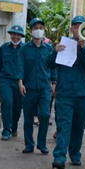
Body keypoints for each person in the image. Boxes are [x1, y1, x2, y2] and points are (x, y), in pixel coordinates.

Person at [49, 15, 85, 169]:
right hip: (65, 93)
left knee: (79, 126)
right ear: (71, 28)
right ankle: (59, 158)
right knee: (64, 125)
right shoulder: (64, 44)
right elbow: (48, 63)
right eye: (75, 26)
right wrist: (54, 52)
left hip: (83, 94)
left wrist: (83, 50)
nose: (78, 29)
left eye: (81, 26)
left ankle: (75, 153)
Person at [21, 17, 55, 154]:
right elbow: (20, 67)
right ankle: (29, 144)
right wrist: (20, 82)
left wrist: (54, 82)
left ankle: (42, 144)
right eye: (36, 28)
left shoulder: (49, 49)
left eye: (41, 28)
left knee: (45, 115)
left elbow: (53, 66)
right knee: (28, 117)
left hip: (44, 88)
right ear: (31, 31)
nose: (39, 30)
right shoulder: (24, 49)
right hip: (29, 88)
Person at [0, 24, 25, 140]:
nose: (15, 37)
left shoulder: (25, 49)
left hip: (19, 82)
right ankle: (6, 129)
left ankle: (14, 126)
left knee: (17, 106)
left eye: (18, 35)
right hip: (5, 80)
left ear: (21, 36)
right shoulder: (3, 48)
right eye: (13, 34)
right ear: (10, 35)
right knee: (7, 102)